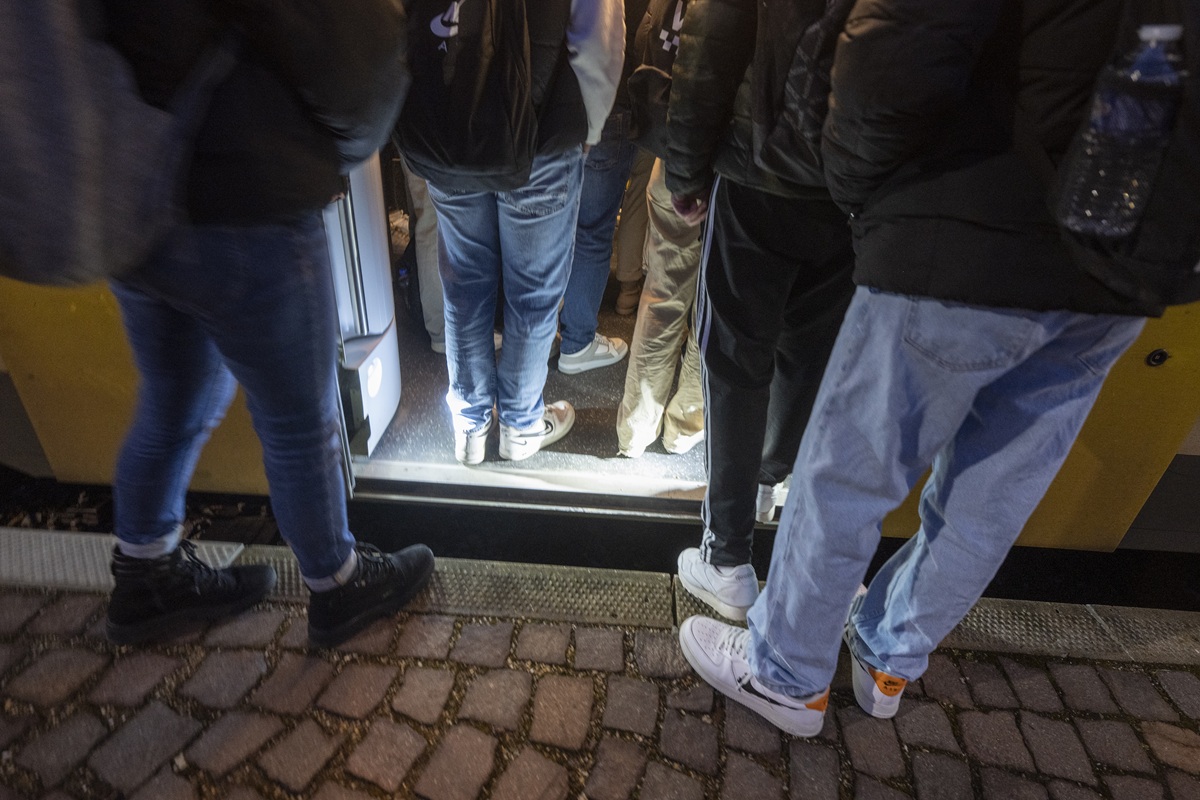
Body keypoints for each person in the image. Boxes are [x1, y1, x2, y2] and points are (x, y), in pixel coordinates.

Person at [678, 0, 1156, 737]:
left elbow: (893, 52)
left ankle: (788, 674)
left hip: (968, 223)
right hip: (1125, 265)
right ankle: (888, 657)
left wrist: (868, 197)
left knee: (851, 468)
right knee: (994, 490)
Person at [101, 0, 435, 649]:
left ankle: (144, 574)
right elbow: (352, 46)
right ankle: (339, 584)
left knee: (171, 400)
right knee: (299, 420)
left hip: (133, 200)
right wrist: (334, 151)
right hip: (249, 195)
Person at [665, 0, 856, 621]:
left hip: (757, 171)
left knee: (734, 362)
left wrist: (686, 168)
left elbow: (710, 49)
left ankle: (727, 560)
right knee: (806, 355)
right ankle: (770, 483)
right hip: (848, 185)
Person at [417, 1, 624, 464]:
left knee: (465, 289)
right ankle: (520, 426)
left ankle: (470, 427)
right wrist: (589, 127)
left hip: (447, 134)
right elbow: (597, 40)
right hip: (541, 137)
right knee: (532, 295)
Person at [556, 0, 649, 376]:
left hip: (557, 102)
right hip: (611, 103)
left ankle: (543, 335)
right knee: (593, 232)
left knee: (550, 224)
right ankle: (577, 342)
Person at [614, 156, 705, 458]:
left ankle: (635, 430)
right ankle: (683, 427)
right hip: (740, 183)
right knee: (713, 309)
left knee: (663, 299)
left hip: (675, 169)